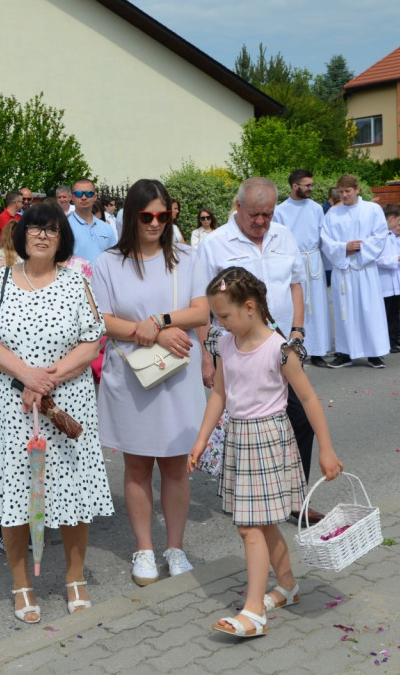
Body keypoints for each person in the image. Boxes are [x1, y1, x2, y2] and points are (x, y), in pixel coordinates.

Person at [188, 266, 342, 638]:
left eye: (224, 315)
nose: (219, 323)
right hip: (240, 439)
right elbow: (220, 396)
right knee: (264, 521)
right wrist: (200, 440)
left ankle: (254, 611)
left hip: (270, 440)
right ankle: (287, 585)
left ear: (250, 307)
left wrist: (326, 449)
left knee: (249, 526)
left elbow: (308, 398)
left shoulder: (279, 349)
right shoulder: (225, 343)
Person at [0, 203, 112, 623]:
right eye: (34, 227)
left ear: (61, 239)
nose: (41, 235)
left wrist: (47, 379)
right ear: (22, 235)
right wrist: (27, 376)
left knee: (72, 488)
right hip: (11, 401)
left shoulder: (76, 283)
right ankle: (22, 585)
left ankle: (75, 577)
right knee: (18, 492)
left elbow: (92, 342)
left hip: (65, 400)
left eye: (51, 230)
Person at [92, 179, 208, 586]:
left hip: (177, 371)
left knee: (177, 464)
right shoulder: (108, 262)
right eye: (147, 216)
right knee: (137, 464)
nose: (156, 222)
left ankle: (174, 547)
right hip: (130, 370)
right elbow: (102, 319)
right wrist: (154, 333)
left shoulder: (187, 257)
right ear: (131, 217)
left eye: (164, 214)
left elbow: (201, 311)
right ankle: (144, 548)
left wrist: (160, 322)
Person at [195, 178, 323, 524]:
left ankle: (296, 498)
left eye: (267, 214)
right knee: (247, 421)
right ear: (238, 207)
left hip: (278, 340)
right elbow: (202, 304)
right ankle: (251, 496)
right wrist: (208, 355)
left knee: (299, 417)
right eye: (254, 215)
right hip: (235, 345)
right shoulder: (215, 244)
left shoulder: (284, 235)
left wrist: (297, 330)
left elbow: (296, 284)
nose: (261, 222)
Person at [321, 175, 391, 369]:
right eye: (341, 192)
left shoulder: (372, 209)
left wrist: (359, 247)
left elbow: (380, 235)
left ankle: (374, 353)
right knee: (344, 312)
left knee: (369, 310)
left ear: (357, 189)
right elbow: (326, 241)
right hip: (343, 270)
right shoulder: (333, 214)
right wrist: (345, 247)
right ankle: (345, 353)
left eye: (348, 191)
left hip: (365, 269)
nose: (344, 195)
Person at [274, 170, 332, 368]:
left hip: (313, 261)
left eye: (311, 185)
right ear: (294, 186)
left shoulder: (316, 208)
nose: (311, 188)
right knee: (297, 307)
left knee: (317, 307)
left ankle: (318, 351)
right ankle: (298, 349)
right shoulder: (280, 211)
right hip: (293, 262)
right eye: (307, 185)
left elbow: (323, 236)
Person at [377, 205, 400, 355]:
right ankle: (388, 341)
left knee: (395, 311)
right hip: (385, 281)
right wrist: (397, 260)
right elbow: (379, 259)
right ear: (391, 219)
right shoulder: (381, 236)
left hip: (397, 279)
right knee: (386, 313)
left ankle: (396, 337)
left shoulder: (397, 239)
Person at [68, 178, 116, 265]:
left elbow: (115, 259)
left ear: (95, 197)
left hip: (103, 278)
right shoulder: (65, 226)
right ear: (72, 197)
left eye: (89, 193)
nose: (83, 197)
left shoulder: (107, 228)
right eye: (79, 194)